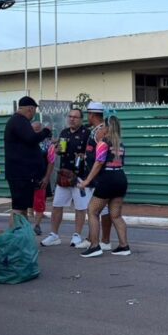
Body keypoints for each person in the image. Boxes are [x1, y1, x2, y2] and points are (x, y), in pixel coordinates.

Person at [79, 112, 131, 258]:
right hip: (121, 178)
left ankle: (95, 246)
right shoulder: (120, 144)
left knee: (92, 211)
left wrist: (87, 181)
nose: (100, 129)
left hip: (107, 179)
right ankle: (124, 246)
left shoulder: (103, 143)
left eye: (102, 126)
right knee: (116, 215)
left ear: (107, 127)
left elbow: (99, 163)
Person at [41, 108, 92, 248]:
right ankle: (54, 235)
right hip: (64, 175)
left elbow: (92, 153)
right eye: (70, 116)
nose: (72, 119)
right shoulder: (64, 132)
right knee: (57, 205)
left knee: (80, 207)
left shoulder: (87, 133)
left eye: (75, 117)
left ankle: (77, 235)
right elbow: (59, 151)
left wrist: (84, 156)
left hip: (80, 176)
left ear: (81, 119)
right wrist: (57, 150)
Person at [3, 96, 50, 229]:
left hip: (23, 174)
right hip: (19, 174)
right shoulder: (19, 121)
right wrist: (46, 132)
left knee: (23, 208)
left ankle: (23, 235)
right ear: (30, 109)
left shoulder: (18, 121)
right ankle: (15, 235)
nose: (33, 114)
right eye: (34, 111)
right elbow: (31, 138)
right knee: (18, 208)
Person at [83, 102, 113, 252]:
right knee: (95, 209)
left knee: (101, 209)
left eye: (88, 114)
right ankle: (91, 239)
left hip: (100, 177)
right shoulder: (96, 130)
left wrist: (90, 178)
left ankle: (104, 241)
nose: (87, 117)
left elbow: (101, 158)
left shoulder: (102, 131)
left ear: (92, 115)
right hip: (95, 176)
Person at [31, 121, 56, 236]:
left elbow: (51, 161)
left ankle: (37, 225)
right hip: (26, 177)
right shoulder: (26, 141)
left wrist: (46, 177)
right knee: (26, 202)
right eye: (33, 129)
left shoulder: (48, 144)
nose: (35, 132)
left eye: (37, 130)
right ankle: (26, 225)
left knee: (40, 202)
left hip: (41, 177)